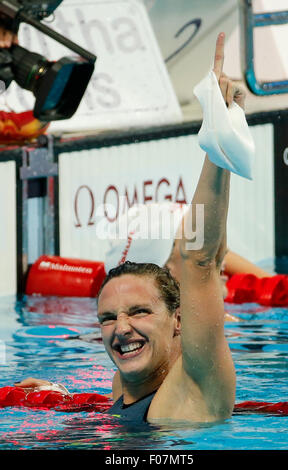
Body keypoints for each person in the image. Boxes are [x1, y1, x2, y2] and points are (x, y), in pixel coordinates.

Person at [16, 33, 249, 422]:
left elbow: (200, 261)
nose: (121, 328)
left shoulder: (190, 396)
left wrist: (218, 141)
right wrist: (65, 398)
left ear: (179, 321)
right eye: (108, 318)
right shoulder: (124, 384)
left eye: (139, 312)